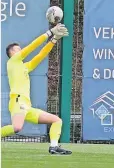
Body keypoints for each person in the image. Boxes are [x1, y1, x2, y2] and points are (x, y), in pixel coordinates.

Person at [1, 23, 72, 155]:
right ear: (12, 53)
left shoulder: (24, 67)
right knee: (17, 127)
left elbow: (40, 55)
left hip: (27, 106)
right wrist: (50, 32)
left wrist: (54, 39)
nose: (20, 50)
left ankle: (54, 147)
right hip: (17, 102)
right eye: (17, 49)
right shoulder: (12, 62)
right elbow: (31, 47)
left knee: (56, 120)